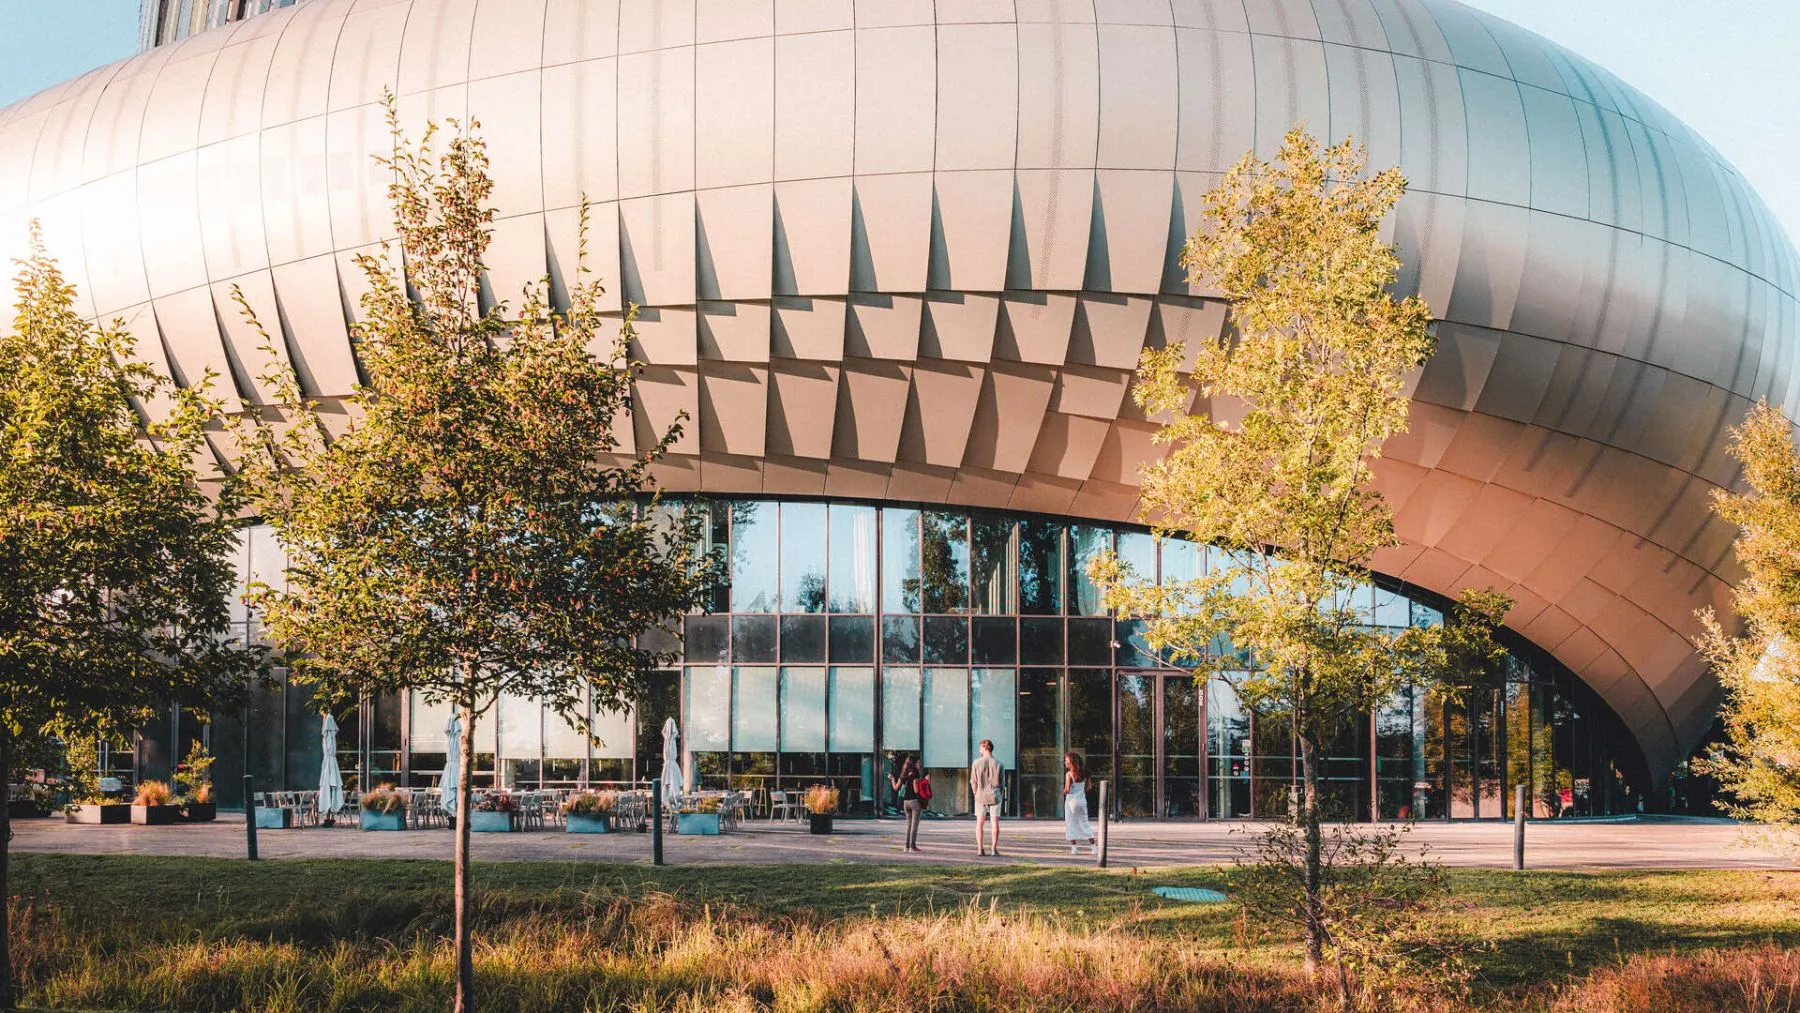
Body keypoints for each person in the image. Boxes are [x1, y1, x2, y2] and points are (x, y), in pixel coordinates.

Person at [969, 739, 1002, 856]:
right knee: (995, 822)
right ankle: (994, 849)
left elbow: (973, 781)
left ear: (985, 747)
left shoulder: (976, 763)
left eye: (980, 748)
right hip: (995, 795)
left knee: (979, 823)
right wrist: (1000, 794)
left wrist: (975, 793)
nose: (979, 750)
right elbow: (1002, 783)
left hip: (980, 795)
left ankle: (980, 849)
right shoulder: (999, 764)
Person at [889, 754, 924, 853]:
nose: (919, 764)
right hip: (914, 802)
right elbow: (916, 790)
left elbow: (896, 788)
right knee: (914, 825)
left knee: (908, 825)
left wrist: (892, 779)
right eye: (918, 762)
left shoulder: (903, 774)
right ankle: (912, 847)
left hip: (905, 803)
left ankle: (906, 847)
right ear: (914, 763)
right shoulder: (915, 774)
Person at [1063, 751, 1096, 855]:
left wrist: (1063, 791)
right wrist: (1080, 791)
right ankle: (1094, 847)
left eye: (1066, 761)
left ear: (1071, 762)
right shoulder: (1085, 773)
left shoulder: (1069, 774)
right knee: (1085, 823)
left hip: (1071, 802)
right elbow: (1089, 787)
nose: (1065, 762)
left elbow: (1067, 790)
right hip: (1082, 801)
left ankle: (1074, 849)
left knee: (1071, 824)